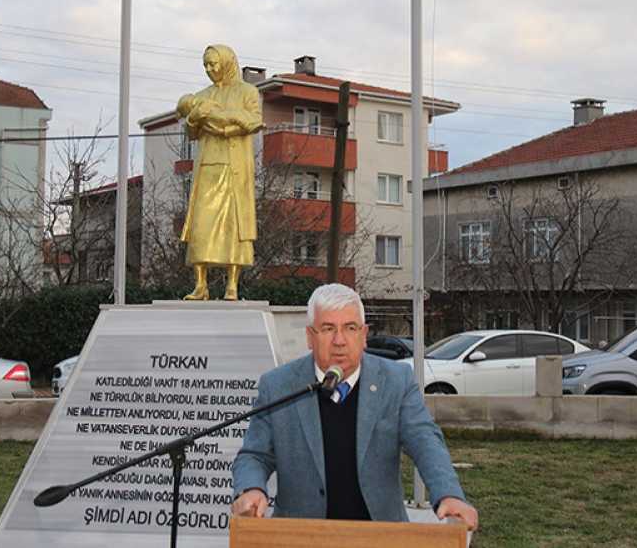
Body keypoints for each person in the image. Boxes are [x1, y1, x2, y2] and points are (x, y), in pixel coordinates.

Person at [231, 283, 479, 530]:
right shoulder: (279, 385)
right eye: (328, 328)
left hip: (379, 534)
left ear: (364, 335)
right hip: (300, 535)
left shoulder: (396, 381)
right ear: (310, 337)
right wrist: (251, 489)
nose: (339, 341)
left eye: (350, 328)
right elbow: (255, 455)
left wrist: (448, 494)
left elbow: (425, 441)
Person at [175, 44, 262, 301]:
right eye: (206, 65)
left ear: (226, 62)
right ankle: (200, 285)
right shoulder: (201, 95)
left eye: (213, 64)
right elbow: (192, 132)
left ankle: (232, 285)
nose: (210, 70)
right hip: (207, 168)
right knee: (201, 226)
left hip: (234, 168)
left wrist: (226, 128)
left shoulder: (247, 91)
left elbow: (254, 121)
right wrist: (194, 118)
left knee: (234, 225)